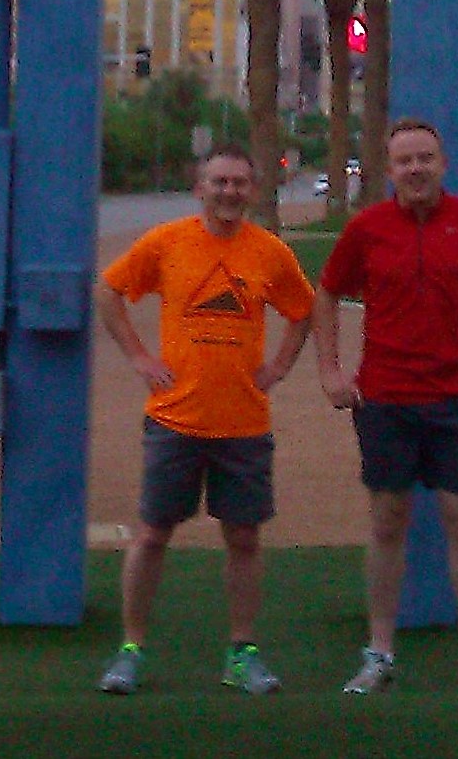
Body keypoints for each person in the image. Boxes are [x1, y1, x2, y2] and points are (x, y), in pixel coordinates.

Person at [312, 118, 458, 697]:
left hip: (456, 402)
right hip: (384, 398)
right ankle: (380, 651)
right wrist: (331, 370)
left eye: (426, 159)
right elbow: (327, 292)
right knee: (388, 521)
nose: (416, 169)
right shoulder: (367, 229)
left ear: (443, 164)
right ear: (389, 170)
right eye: (405, 160)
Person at [93, 145, 314, 696]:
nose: (230, 192)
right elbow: (109, 290)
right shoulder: (166, 243)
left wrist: (281, 366)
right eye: (219, 182)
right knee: (152, 534)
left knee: (243, 538)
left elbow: (303, 309)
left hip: (243, 424)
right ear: (200, 187)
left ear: (253, 190)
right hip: (175, 420)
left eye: (240, 183)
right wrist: (141, 359)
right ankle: (131, 649)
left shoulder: (269, 253)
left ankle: (241, 652)